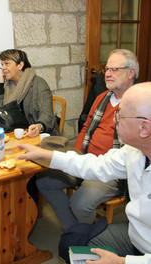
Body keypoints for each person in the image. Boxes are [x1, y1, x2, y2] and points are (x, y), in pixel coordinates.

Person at [17, 82, 151, 263]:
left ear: (144, 128)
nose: (114, 120)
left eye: (120, 116)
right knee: (71, 245)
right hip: (137, 237)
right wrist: (47, 155)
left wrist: (122, 261)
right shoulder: (132, 152)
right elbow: (95, 165)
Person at [31, 49, 138, 231]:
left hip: (112, 170)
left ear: (131, 73)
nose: (108, 74)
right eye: (107, 70)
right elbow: (86, 127)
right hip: (86, 160)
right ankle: (78, 233)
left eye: (114, 70)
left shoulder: (138, 104)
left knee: (80, 203)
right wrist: (78, 154)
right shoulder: (102, 98)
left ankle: (83, 236)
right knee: (44, 181)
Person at [0, 49, 59, 137]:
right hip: (17, 135)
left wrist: (38, 126)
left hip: (40, 137)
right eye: (2, 64)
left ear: (20, 65)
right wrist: (0, 84)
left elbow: (47, 115)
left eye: (7, 63)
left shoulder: (39, 84)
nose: (3, 68)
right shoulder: (8, 85)